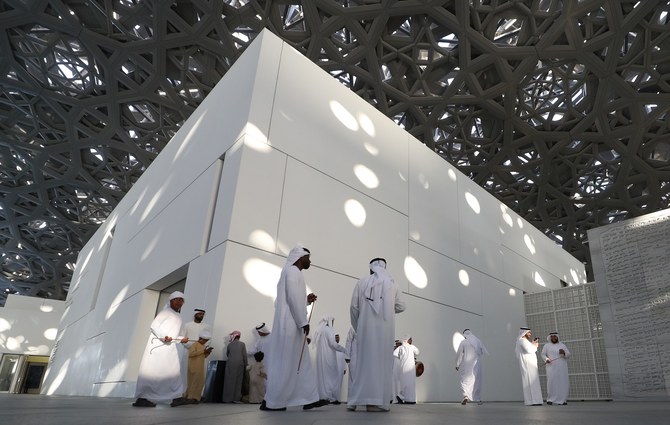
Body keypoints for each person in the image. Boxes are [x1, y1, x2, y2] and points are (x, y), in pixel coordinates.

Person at [260, 246, 325, 411]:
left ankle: (309, 398)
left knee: (301, 362)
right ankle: (274, 401)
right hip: (291, 325)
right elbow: (293, 298)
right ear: (300, 257)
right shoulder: (293, 272)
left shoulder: (290, 272)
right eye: (308, 257)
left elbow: (289, 300)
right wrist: (303, 321)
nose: (310, 261)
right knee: (287, 362)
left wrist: (306, 301)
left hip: (291, 324)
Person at [347, 257, 406, 412]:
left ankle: (356, 400)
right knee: (382, 364)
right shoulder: (393, 283)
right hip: (385, 332)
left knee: (364, 364)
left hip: (365, 331)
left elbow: (353, 308)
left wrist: (358, 327)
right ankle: (376, 401)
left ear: (371, 268)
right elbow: (401, 306)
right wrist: (388, 307)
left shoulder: (361, 282)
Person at [132, 291, 190, 407]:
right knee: (151, 373)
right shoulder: (165, 313)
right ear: (171, 301)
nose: (179, 302)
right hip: (158, 348)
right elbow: (154, 326)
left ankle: (176, 397)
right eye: (176, 299)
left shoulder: (178, 317)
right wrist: (163, 336)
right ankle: (142, 398)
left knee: (173, 373)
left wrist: (181, 339)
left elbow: (175, 335)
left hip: (170, 350)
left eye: (181, 300)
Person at [313, 315, 346, 404]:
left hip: (321, 358)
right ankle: (331, 398)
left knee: (323, 377)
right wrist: (344, 350)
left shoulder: (320, 330)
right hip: (329, 358)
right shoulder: (329, 330)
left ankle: (324, 396)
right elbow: (333, 344)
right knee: (331, 377)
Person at [455, 329, 488, 405]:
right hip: (477, 365)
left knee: (465, 380)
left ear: (464, 335)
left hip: (467, 365)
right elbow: (482, 351)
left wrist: (457, 364)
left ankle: (465, 396)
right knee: (476, 381)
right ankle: (477, 398)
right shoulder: (477, 341)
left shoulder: (463, 342)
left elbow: (459, 354)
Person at [180, 309, 210, 390]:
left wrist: (201, 347)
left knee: (200, 373)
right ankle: (184, 392)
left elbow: (208, 339)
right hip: (188, 351)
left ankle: (198, 394)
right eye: (200, 314)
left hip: (201, 352)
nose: (201, 316)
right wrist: (192, 346)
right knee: (186, 371)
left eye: (203, 314)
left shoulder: (206, 326)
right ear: (195, 314)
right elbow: (182, 338)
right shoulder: (187, 325)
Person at [515, 327, 543, 406]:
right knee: (530, 382)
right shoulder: (522, 341)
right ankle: (532, 401)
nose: (530, 334)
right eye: (529, 332)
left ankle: (535, 400)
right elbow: (529, 350)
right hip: (528, 365)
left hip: (530, 365)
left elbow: (529, 348)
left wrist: (533, 344)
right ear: (524, 333)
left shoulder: (524, 341)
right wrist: (535, 346)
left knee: (533, 382)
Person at [541, 332, 571, 405]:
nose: (553, 338)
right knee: (551, 382)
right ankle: (550, 399)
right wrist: (546, 359)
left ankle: (563, 400)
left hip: (562, 367)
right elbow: (543, 354)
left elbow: (568, 354)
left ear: (557, 337)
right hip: (551, 367)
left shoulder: (562, 345)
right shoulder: (546, 345)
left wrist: (564, 353)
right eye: (552, 337)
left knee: (562, 382)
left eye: (555, 336)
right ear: (550, 337)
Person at [184, 330, 213, 403]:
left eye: (206, 340)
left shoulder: (203, 346)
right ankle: (190, 397)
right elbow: (191, 354)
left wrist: (207, 353)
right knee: (194, 382)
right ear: (200, 338)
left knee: (200, 382)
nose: (205, 342)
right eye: (205, 340)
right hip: (193, 367)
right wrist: (203, 351)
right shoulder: (195, 344)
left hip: (200, 367)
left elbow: (204, 356)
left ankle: (196, 398)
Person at [393, 335, 420, 404]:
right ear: (407, 340)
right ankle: (409, 399)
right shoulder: (412, 347)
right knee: (410, 384)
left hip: (403, 368)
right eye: (410, 339)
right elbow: (418, 352)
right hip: (410, 368)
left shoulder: (401, 348)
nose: (411, 341)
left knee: (404, 384)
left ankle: (401, 396)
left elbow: (394, 354)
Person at [222, 330, 248, 403]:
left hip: (230, 364)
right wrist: (246, 364)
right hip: (240, 364)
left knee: (229, 381)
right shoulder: (242, 344)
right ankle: (236, 399)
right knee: (238, 381)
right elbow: (244, 356)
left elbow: (227, 354)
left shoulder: (229, 345)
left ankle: (227, 398)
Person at [334, 333, 347, 403]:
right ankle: (333, 399)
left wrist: (345, 368)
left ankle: (337, 399)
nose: (337, 339)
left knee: (340, 383)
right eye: (336, 338)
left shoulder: (342, 349)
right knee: (334, 383)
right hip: (334, 369)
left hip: (341, 368)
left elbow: (345, 358)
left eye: (338, 338)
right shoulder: (332, 348)